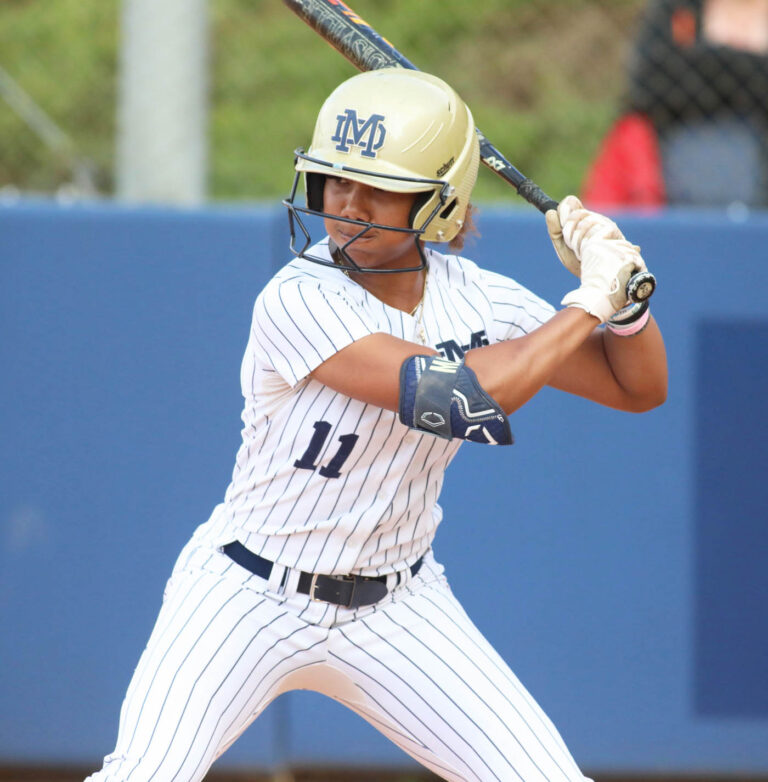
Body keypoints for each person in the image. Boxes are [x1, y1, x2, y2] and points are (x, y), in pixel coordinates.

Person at [86, 68, 667, 782]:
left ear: (438, 202)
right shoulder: (298, 296)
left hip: (399, 606)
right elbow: (459, 400)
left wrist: (627, 302)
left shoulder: (478, 299)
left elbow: (635, 387)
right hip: (247, 593)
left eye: (377, 187)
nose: (348, 206)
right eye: (335, 181)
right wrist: (588, 302)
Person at [582, 0, 768, 209]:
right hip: (664, 193)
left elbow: (671, 76)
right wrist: (752, 70)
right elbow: (648, 82)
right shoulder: (675, 7)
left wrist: (699, 63)